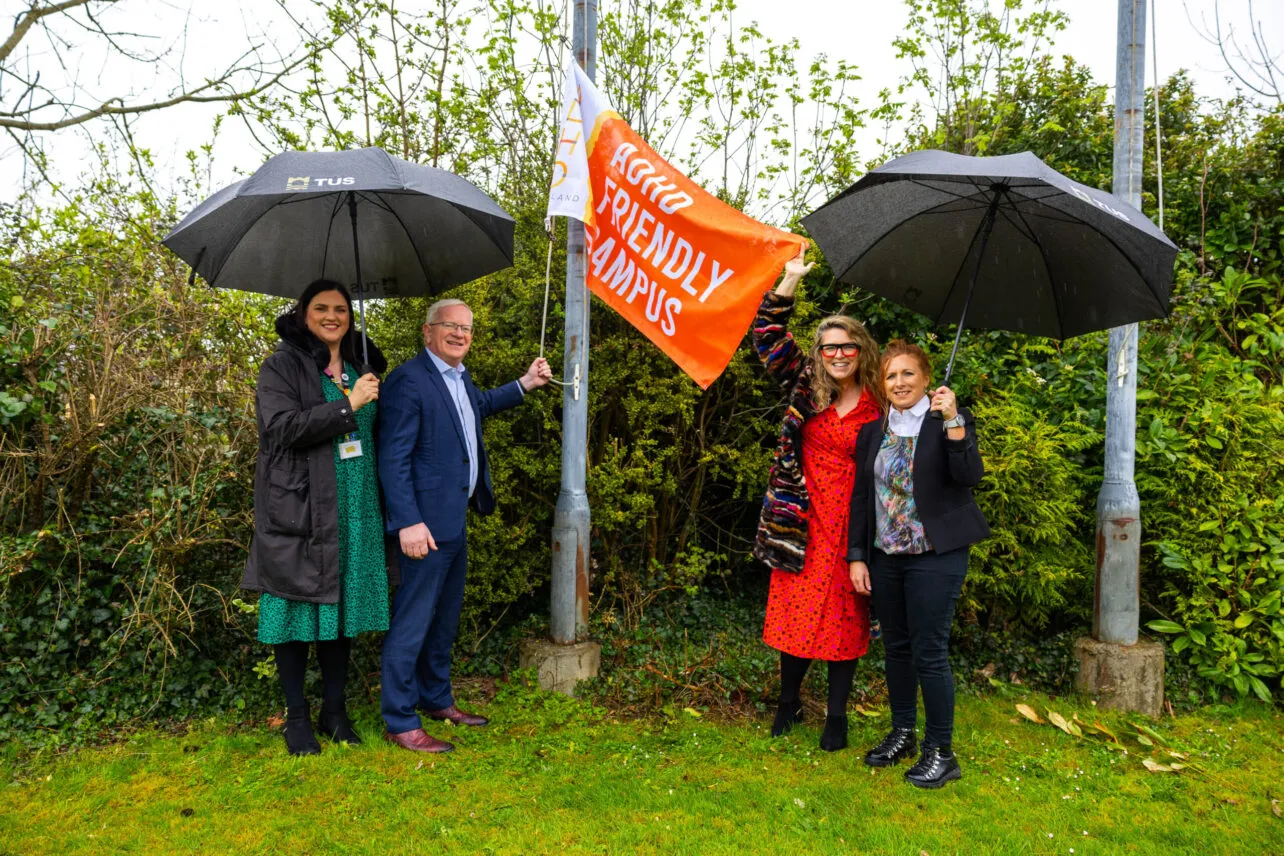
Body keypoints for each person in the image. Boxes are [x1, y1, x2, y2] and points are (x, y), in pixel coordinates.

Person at [377, 298, 552, 753]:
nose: (459, 334)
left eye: (467, 328)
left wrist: (525, 384)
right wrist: (408, 522)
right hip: (423, 529)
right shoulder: (408, 380)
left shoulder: (458, 377)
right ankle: (400, 719)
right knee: (412, 623)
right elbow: (392, 457)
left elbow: (477, 406)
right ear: (427, 331)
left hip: (453, 522)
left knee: (443, 621)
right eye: (449, 325)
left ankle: (436, 699)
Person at [242, 278, 393, 756]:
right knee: (294, 610)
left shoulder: (362, 366)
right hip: (303, 508)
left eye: (341, 309)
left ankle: (334, 712)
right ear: (303, 314)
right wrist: (348, 404)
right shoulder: (282, 366)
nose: (333, 317)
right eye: (322, 308)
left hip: (357, 506)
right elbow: (281, 429)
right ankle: (297, 719)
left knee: (341, 608)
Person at [752, 246, 884, 752]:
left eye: (847, 346)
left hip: (855, 526)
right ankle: (787, 703)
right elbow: (767, 336)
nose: (838, 355)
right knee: (797, 614)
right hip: (801, 521)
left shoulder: (880, 401)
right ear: (819, 354)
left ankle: (837, 716)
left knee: (847, 618)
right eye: (829, 348)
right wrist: (789, 279)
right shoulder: (806, 383)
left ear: (862, 350)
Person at [847, 339, 989, 789]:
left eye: (908, 373)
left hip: (935, 556)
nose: (900, 382)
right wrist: (857, 557)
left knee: (929, 652)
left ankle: (941, 752)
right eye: (891, 375)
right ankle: (903, 733)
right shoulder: (873, 431)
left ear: (927, 379)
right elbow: (862, 499)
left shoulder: (948, 421)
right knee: (897, 649)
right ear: (882, 384)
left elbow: (969, 476)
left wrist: (953, 421)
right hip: (886, 558)